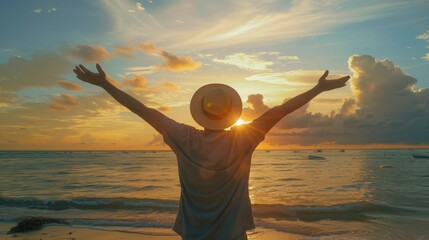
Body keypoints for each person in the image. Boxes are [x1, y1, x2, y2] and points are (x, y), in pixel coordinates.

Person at [73, 63, 350, 240]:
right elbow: (281, 110)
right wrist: (317, 89)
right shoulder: (243, 140)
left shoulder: (183, 137)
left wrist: (105, 84)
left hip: (192, 234)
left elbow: (141, 109)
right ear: (232, 113)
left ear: (201, 111)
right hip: (233, 235)